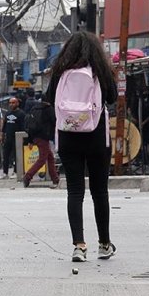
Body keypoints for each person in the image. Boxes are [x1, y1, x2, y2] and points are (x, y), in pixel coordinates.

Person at [46, 31, 117, 262]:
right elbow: (113, 97)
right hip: (96, 137)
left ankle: (79, 245)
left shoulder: (60, 72)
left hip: (68, 137)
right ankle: (104, 244)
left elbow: (49, 98)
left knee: (75, 191)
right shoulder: (100, 71)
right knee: (100, 191)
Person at [23, 100, 59, 188]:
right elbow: (55, 121)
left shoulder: (34, 109)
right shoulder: (48, 109)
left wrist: (30, 140)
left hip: (35, 136)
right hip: (43, 137)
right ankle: (28, 176)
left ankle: (55, 178)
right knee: (42, 159)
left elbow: (30, 124)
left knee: (50, 157)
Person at [0, 97, 26, 179]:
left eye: (13, 102)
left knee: (16, 156)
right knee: (5, 155)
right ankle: (5, 173)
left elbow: (23, 127)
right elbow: (4, 126)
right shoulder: (7, 113)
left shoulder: (21, 114)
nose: (11, 104)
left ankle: (16, 171)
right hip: (8, 137)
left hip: (17, 138)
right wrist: (2, 135)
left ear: (17, 103)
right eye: (10, 103)